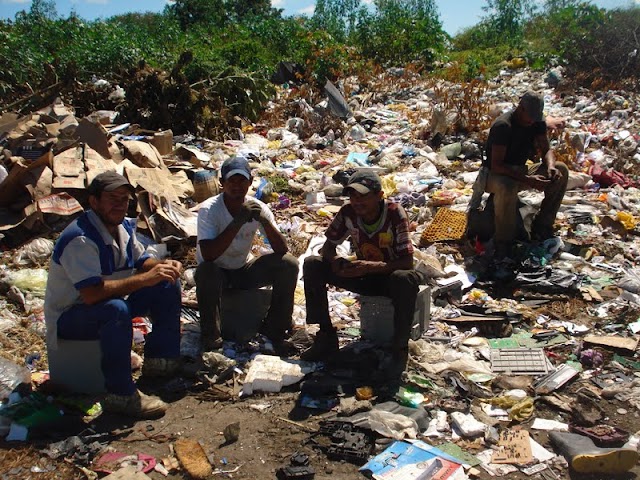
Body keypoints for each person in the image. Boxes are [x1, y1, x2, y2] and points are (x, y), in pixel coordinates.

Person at [44, 171, 183, 419]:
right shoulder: (81, 239)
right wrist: (145, 278)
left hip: (107, 304)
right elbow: (91, 294)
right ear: (94, 202)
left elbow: (142, 261)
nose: (120, 204)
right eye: (112, 198)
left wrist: (164, 267)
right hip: (70, 317)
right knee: (115, 310)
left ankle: (161, 363)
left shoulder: (122, 228)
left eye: (124, 198)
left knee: (166, 284)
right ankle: (121, 395)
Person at [302, 170, 422, 375]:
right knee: (313, 264)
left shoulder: (394, 213)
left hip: (388, 276)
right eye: (353, 196)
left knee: (406, 279)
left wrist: (371, 266)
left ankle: (399, 348)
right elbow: (328, 248)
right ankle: (326, 336)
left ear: (379, 195)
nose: (357, 202)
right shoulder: (348, 212)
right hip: (362, 275)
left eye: (363, 196)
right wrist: (337, 262)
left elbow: (407, 262)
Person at [195, 157, 299, 355]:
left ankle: (275, 328)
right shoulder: (209, 210)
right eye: (231, 181)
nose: (237, 186)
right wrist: (237, 222)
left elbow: (281, 250)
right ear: (222, 183)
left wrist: (264, 222)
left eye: (242, 180)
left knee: (288, 264)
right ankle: (211, 336)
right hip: (217, 272)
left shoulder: (256, 207)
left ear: (250, 182)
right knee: (206, 271)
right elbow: (208, 255)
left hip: (242, 270)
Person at [483, 91, 569, 260]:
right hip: (495, 175)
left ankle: (543, 225)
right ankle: (504, 242)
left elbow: (546, 150)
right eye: (529, 116)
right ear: (520, 108)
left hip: (521, 170)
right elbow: (496, 165)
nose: (531, 121)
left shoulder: (536, 123)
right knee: (507, 186)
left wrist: (550, 166)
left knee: (562, 170)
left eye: (534, 118)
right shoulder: (503, 126)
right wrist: (528, 180)